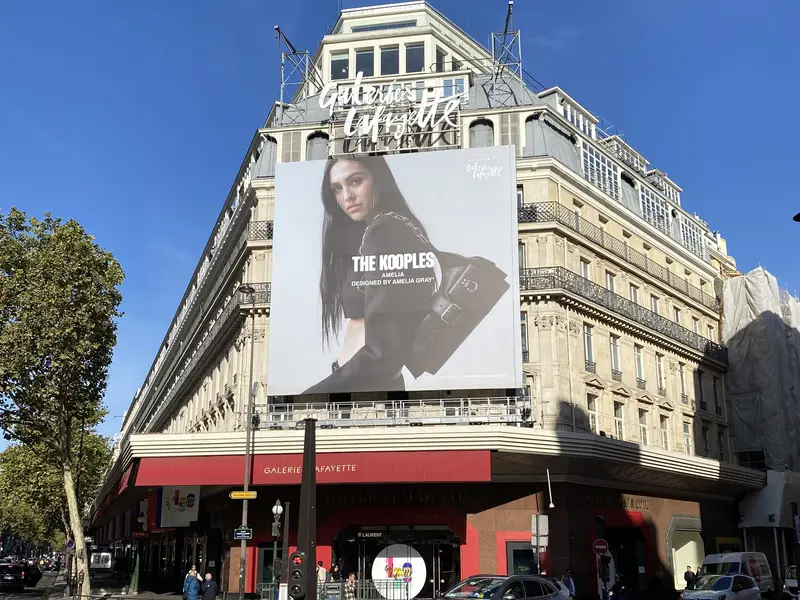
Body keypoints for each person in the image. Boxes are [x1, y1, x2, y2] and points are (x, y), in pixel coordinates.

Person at [303, 156, 437, 394]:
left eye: (355, 181)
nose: (347, 196)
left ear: (379, 180)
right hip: (361, 380)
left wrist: (313, 396)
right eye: (337, 189)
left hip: (366, 382)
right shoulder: (373, 233)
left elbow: (385, 350)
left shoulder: (385, 231)